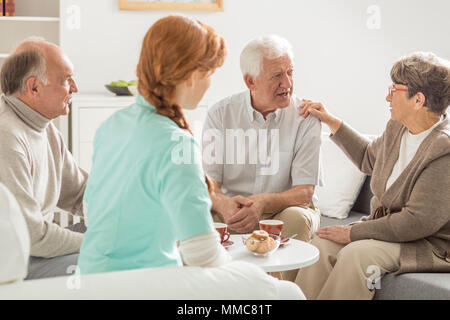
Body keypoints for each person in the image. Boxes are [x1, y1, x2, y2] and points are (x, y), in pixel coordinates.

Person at [78, 15, 230, 275]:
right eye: (210, 73)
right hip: (143, 286)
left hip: (90, 278)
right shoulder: (178, 143)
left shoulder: (110, 126)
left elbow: (92, 214)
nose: (209, 83)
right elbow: (202, 254)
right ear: (193, 75)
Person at [296, 52, 450, 300]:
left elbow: (416, 222)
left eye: (395, 89)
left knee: (356, 255)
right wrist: (331, 121)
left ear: (418, 100)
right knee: (322, 246)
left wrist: (352, 233)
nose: (387, 96)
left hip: (426, 244)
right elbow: (369, 158)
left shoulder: (443, 150)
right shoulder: (398, 128)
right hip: (387, 233)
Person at [202, 34, 323, 281]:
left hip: (284, 210)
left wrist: (262, 203)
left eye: (290, 72)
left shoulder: (306, 118)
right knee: (194, 216)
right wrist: (225, 205)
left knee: (297, 218)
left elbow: (304, 192)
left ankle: (281, 294)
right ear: (250, 81)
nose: (287, 82)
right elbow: (208, 185)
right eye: (277, 75)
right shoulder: (220, 114)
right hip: (233, 210)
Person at [0, 38, 88, 280]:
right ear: (34, 87)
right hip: (17, 259)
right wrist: (104, 241)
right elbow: (32, 236)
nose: (75, 88)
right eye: (66, 80)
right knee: (111, 259)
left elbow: (80, 192)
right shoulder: (6, 136)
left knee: (127, 235)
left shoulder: (44, 127)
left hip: (35, 247)